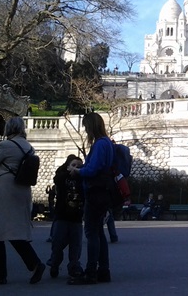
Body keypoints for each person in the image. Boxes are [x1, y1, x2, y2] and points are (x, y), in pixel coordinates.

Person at [0, 116, 46, 285]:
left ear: (9, 128)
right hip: (22, 189)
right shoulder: (28, 147)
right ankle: (34, 263)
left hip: (3, 189)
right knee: (14, 231)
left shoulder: (5, 145)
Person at [68, 112, 115, 285]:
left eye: (87, 126)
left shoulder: (100, 144)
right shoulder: (106, 143)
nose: (86, 130)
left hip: (95, 192)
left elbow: (92, 169)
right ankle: (103, 270)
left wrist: (78, 171)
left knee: (91, 232)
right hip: (103, 192)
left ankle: (91, 271)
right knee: (99, 233)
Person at [49, 154, 84, 279]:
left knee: (76, 245)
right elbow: (57, 180)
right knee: (57, 243)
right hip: (62, 216)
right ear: (68, 166)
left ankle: (74, 266)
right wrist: (68, 173)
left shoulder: (82, 179)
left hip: (76, 218)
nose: (75, 168)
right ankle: (54, 263)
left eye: (78, 166)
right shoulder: (62, 177)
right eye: (73, 165)